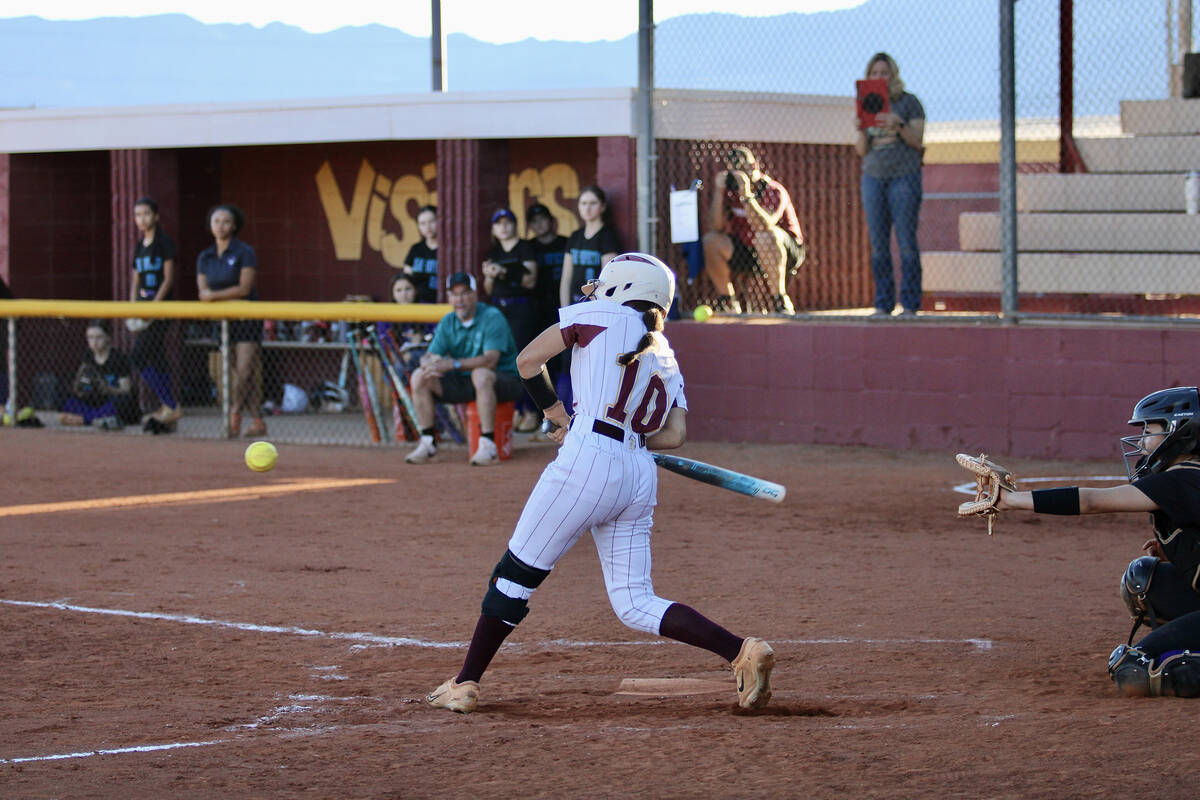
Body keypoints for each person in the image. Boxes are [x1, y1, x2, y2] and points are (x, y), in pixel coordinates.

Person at [425, 252, 776, 714]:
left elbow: (528, 361)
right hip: (637, 473)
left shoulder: (598, 313)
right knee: (635, 602)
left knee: (515, 575)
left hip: (588, 460)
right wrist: (621, 431)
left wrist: (557, 415)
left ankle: (466, 682)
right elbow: (674, 435)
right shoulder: (666, 355)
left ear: (622, 286)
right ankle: (740, 651)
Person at [984, 386, 1200, 698]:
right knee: (1144, 581)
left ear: (1181, 432)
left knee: (1135, 668)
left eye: (1149, 430)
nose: (1141, 442)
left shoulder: (1182, 479)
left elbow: (1094, 501)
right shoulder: (1187, 474)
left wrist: (1011, 500)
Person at [404, 272, 524, 467]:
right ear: (449, 298)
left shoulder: (492, 316)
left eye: (465, 293)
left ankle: (488, 444)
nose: (459, 300)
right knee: (419, 376)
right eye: (454, 294)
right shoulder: (448, 321)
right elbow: (431, 355)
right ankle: (428, 442)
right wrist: (428, 364)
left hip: (504, 381)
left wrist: (452, 364)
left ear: (475, 295)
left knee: (481, 373)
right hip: (465, 381)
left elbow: (490, 361)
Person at [854, 52, 926, 318]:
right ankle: (883, 303)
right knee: (878, 243)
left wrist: (899, 124)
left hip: (903, 176)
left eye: (884, 73)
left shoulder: (909, 103)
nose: (879, 77)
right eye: (874, 73)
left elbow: (918, 141)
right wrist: (861, 128)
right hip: (873, 177)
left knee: (906, 241)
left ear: (893, 74)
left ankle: (909, 304)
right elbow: (861, 150)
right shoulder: (867, 102)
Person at [702, 146, 805, 315]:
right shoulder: (729, 192)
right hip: (747, 251)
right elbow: (715, 226)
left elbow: (764, 226)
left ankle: (780, 299)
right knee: (711, 241)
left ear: (754, 166)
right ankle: (728, 301)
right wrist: (719, 191)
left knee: (765, 236)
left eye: (743, 167)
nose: (739, 173)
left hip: (784, 251)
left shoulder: (773, 190)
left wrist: (746, 193)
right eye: (733, 170)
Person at [197, 203, 266, 438]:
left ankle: (234, 414)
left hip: (246, 318)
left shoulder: (244, 251)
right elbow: (202, 290)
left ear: (234, 225)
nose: (220, 226)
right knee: (238, 375)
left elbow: (244, 288)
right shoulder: (205, 256)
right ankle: (258, 420)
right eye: (216, 221)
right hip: (223, 322)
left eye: (226, 221)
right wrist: (210, 297)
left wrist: (214, 296)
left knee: (246, 371)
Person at [128, 197, 183, 434]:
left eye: (146, 214)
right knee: (157, 356)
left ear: (156, 216)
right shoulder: (139, 246)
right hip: (143, 309)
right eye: (138, 215)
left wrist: (154, 307)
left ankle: (171, 404)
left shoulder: (164, 243)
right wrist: (133, 308)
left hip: (160, 311)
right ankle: (167, 406)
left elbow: (168, 279)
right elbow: (135, 279)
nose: (142, 219)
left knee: (138, 355)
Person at [482, 208, 540, 433]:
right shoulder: (494, 251)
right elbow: (487, 288)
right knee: (503, 359)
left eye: (508, 223)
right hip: (499, 309)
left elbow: (530, 280)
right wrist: (490, 275)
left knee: (522, 359)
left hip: (521, 308)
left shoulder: (525, 247)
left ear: (515, 225)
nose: (503, 227)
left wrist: (503, 273)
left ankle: (530, 411)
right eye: (499, 224)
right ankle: (515, 409)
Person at [527, 202, 568, 435]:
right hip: (537, 310)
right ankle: (538, 414)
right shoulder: (530, 247)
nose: (539, 224)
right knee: (540, 361)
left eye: (543, 219)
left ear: (551, 221)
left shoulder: (564, 243)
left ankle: (565, 410)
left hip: (561, 307)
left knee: (564, 361)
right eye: (534, 221)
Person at [59, 320, 139, 430]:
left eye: (99, 337)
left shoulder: (118, 358)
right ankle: (98, 418)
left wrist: (108, 389)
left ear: (108, 338)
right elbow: (81, 383)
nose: (94, 342)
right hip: (95, 400)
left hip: (111, 399)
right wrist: (80, 387)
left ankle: (84, 419)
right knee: (66, 399)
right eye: (90, 338)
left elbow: (126, 389)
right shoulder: (88, 356)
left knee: (123, 402)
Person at [403, 204, 440, 303]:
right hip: (418, 303)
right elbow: (407, 278)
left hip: (440, 302)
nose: (428, 227)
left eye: (431, 221)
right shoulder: (415, 249)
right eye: (422, 223)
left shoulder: (447, 250)